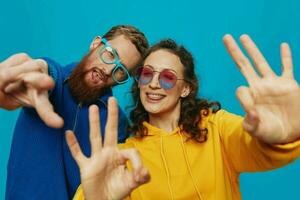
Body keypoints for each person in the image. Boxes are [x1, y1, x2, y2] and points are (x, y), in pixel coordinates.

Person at [71, 34, 300, 199]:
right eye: (147, 74)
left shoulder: (216, 128)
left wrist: (282, 136)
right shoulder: (126, 156)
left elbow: (254, 147)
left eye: (168, 77)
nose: (153, 84)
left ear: (186, 89)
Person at [1, 25, 149, 199]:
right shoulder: (50, 84)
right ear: (96, 44)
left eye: (121, 71)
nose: (108, 70)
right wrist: (35, 72)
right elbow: (47, 72)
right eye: (110, 54)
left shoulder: (116, 124)